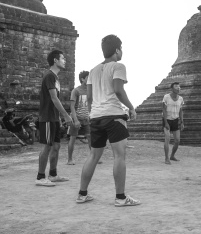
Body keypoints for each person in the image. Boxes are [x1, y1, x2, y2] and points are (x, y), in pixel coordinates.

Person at [76, 35, 141, 207]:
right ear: (117, 49)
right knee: (119, 156)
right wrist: (132, 107)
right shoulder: (118, 66)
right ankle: (120, 198)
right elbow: (119, 91)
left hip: (96, 117)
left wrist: (93, 113)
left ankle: (82, 194)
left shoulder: (93, 70)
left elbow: (89, 97)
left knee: (93, 155)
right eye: (122, 48)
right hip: (113, 116)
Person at [35, 50, 74, 187]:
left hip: (54, 118)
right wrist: (66, 115)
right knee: (47, 146)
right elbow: (53, 98)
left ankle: (53, 175)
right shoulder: (49, 76)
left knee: (56, 146)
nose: (65, 61)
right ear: (55, 61)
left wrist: (59, 117)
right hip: (47, 117)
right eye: (62, 58)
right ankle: (40, 177)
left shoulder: (55, 78)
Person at [67, 70, 91, 165]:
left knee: (90, 137)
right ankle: (69, 159)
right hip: (76, 118)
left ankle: (93, 158)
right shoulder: (76, 90)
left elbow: (91, 104)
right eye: (88, 77)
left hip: (87, 118)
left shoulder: (90, 90)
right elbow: (72, 106)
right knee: (73, 138)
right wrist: (75, 120)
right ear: (82, 79)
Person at [162, 82, 184, 164]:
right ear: (172, 88)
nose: (178, 88)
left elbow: (181, 110)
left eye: (179, 87)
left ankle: (172, 155)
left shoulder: (181, 99)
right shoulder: (166, 97)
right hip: (167, 119)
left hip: (175, 120)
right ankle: (166, 158)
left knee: (177, 140)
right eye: (176, 87)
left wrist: (182, 122)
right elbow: (163, 109)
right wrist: (166, 122)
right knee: (167, 139)